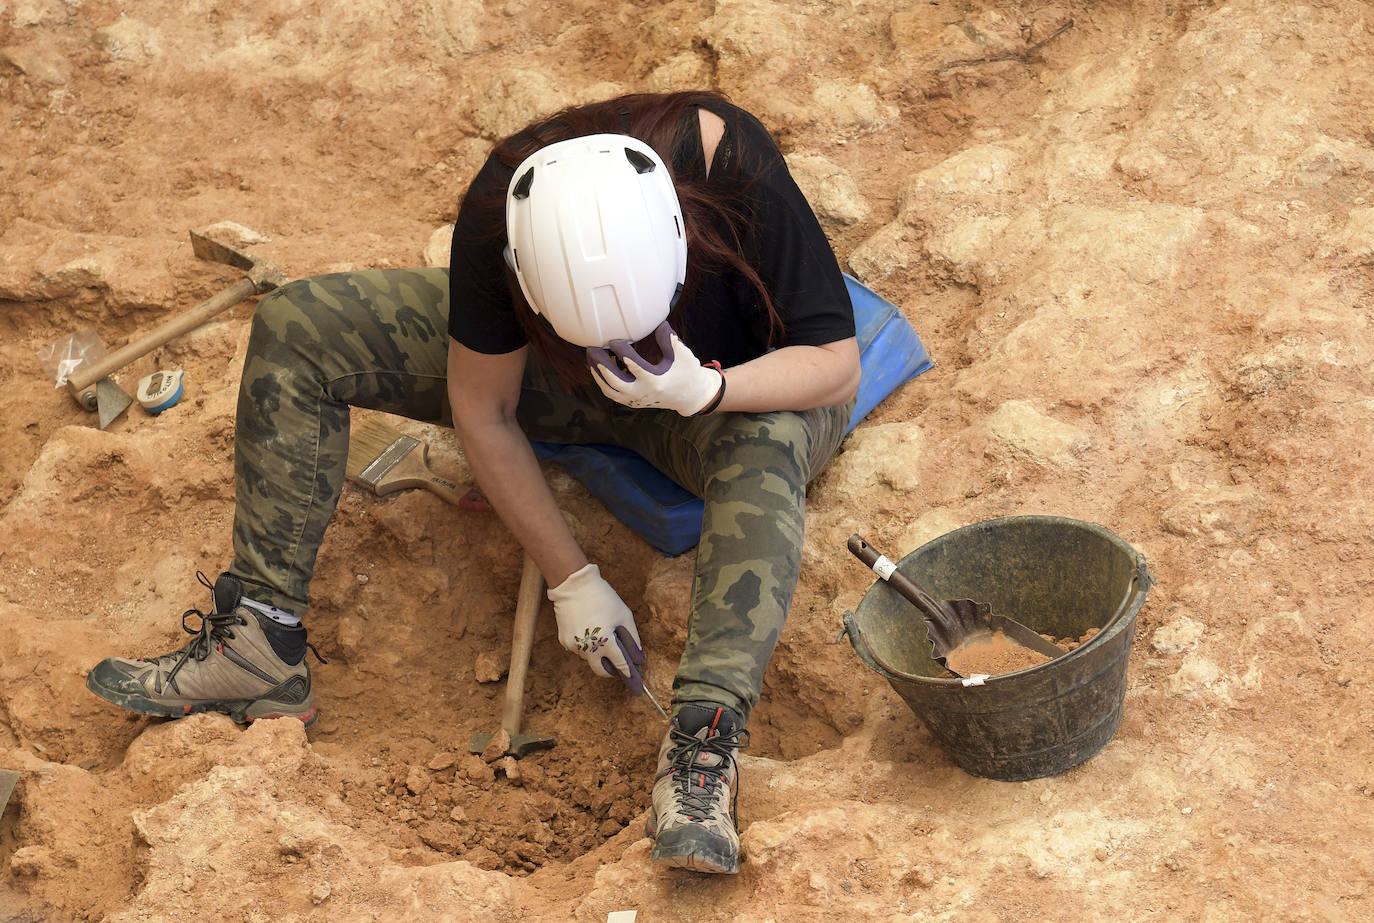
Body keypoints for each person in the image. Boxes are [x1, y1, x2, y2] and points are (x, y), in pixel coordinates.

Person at [85, 89, 860, 875]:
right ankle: (259, 638)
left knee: (765, 443)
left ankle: (704, 744)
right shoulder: (508, 207)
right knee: (300, 325)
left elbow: (836, 364)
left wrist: (708, 391)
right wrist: (574, 580)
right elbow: (483, 405)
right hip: (562, 385)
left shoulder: (730, 161)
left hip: (741, 392)